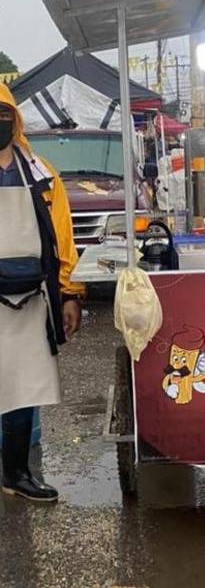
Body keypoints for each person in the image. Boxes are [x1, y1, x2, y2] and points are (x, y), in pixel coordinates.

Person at [0, 83, 84, 501]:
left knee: (23, 388)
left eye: (3, 114)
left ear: (14, 119)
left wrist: (70, 293)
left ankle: (16, 474)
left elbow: (63, 239)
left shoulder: (40, 172)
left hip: (32, 299)